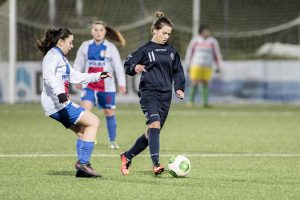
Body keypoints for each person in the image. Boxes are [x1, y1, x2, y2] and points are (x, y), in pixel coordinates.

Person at [36, 27, 112, 178]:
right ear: (60, 42)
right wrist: (60, 94)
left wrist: (98, 75)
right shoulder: (53, 56)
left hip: (56, 104)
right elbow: (48, 77)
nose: (71, 46)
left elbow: (77, 77)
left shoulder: (60, 57)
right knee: (94, 122)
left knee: (83, 131)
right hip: (57, 104)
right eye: (70, 43)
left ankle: (82, 171)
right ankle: (83, 163)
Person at [120, 11, 185, 176]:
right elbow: (128, 62)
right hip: (149, 93)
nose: (166, 37)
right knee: (154, 124)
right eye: (164, 33)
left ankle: (127, 156)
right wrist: (134, 67)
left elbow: (178, 71)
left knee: (152, 133)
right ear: (155, 30)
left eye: (168, 34)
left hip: (165, 96)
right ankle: (156, 164)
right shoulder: (145, 50)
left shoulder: (171, 51)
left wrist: (179, 87)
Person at [74, 21, 126, 149]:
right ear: (92, 32)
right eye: (95, 30)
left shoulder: (111, 48)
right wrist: (77, 80)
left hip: (106, 87)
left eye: (101, 30)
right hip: (89, 85)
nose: (98, 32)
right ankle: (87, 136)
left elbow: (118, 66)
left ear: (105, 32)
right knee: (85, 111)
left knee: (109, 112)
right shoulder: (85, 46)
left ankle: (112, 141)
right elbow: (78, 63)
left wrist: (122, 83)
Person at [185, 25, 222, 107]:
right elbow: (190, 53)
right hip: (196, 65)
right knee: (194, 82)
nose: (207, 32)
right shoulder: (195, 40)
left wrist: (218, 66)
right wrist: (188, 64)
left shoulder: (212, 41)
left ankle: (205, 103)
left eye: (208, 31)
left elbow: (216, 54)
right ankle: (190, 102)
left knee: (205, 83)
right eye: (206, 31)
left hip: (207, 66)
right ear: (201, 31)